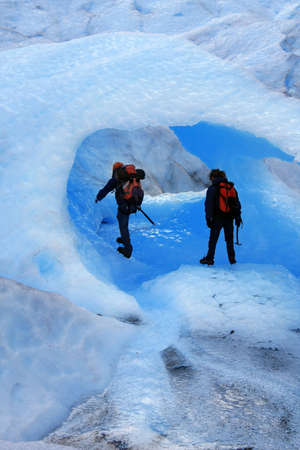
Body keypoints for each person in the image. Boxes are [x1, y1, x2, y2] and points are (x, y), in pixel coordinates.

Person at [200, 169, 242, 266]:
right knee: (229, 240)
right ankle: (232, 260)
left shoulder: (213, 188)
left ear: (213, 177)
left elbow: (208, 205)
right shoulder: (231, 188)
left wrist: (208, 218)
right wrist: (238, 217)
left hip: (217, 217)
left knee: (213, 239)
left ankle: (209, 258)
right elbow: (237, 204)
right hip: (229, 218)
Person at [95, 162, 134, 258]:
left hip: (124, 205)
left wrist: (98, 198)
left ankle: (127, 250)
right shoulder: (129, 178)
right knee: (122, 220)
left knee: (123, 225)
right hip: (130, 204)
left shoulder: (115, 179)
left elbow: (105, 190)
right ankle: (124, 239)